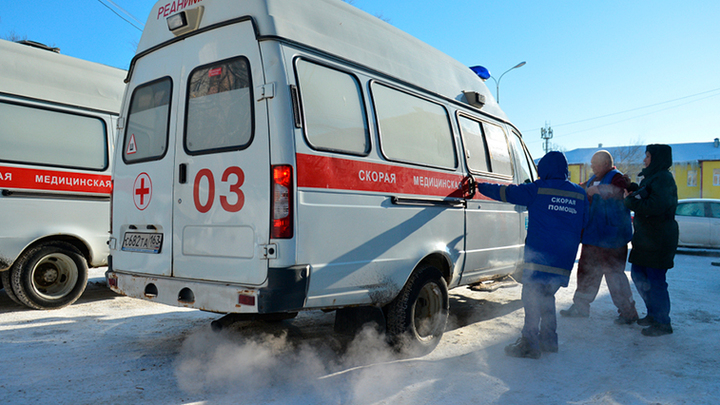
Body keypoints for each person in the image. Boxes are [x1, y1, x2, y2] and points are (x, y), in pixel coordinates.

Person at [477, 151, 588, 359]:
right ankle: (548, 341)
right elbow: (584, 223)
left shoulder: (538, 189)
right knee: (547, 297)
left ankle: (529, 344)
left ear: (544, 169)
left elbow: (507, 193)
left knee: (532, 298)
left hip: (539, 258)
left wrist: (480, 186)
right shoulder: (579, 193)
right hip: (563, 259)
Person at [560, 151, 639, 324]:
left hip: (612, 239)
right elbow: (580, 190)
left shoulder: (617, 178)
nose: (592, 166)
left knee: (614, 276)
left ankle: (628, 313)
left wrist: (599, 190)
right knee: (586, 273)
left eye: (595, 163)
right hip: (592, 237)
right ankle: (580, 307)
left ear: (605, 163)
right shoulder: (591, 179)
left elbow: (621, 191)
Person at [623, 144, 678, 337]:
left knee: (655, 281)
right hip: (647, 239)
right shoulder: (653, 177)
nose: (644, 160)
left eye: (647, 156)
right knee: (639, 276)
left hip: (659, 239)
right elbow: (648, 195)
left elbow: (656, 205)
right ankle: (653, 314)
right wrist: (634, 189)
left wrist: (630, 201)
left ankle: (663, 322)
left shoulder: (663, 178)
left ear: (657, 158)